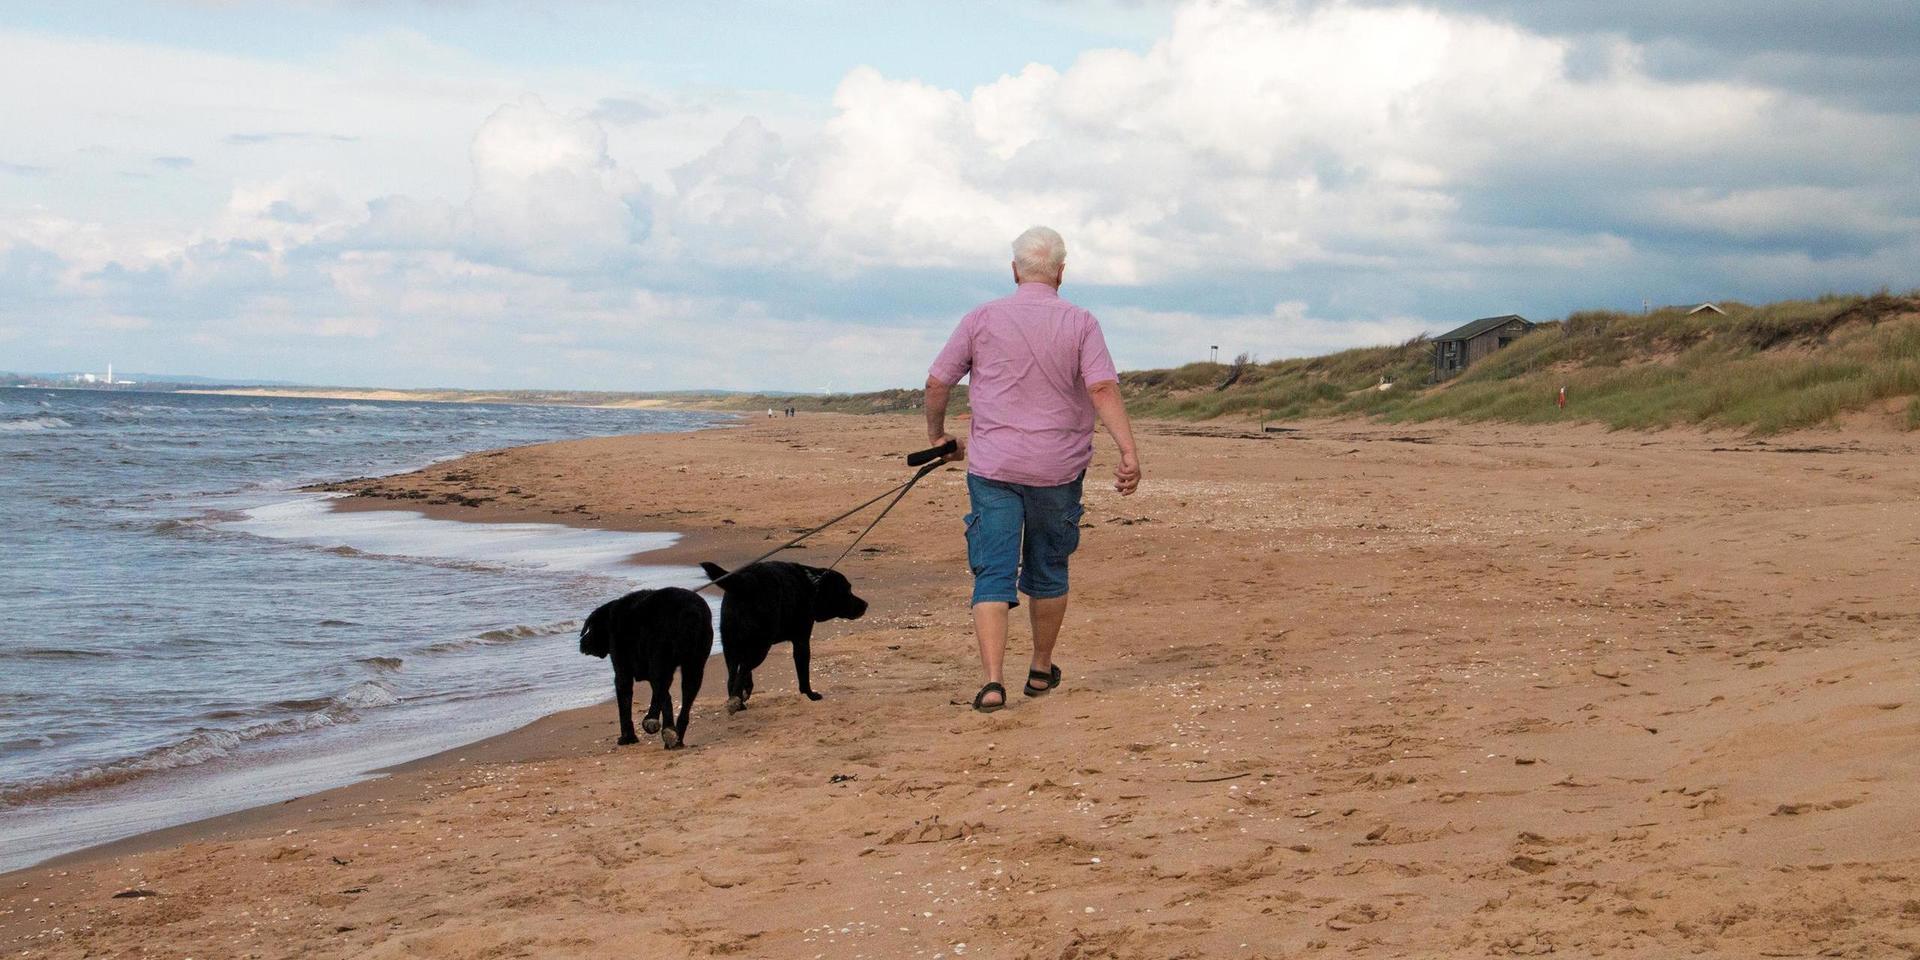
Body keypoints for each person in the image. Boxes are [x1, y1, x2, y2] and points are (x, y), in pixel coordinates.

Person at [924, 225, 1141, 712]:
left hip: (994, 467)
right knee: (1048, 568)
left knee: (993, 573)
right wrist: (1128, 451)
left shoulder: (981, 317)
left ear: (1014, 270)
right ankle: (1040, 670)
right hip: (1058, 470)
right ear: (1061, 273)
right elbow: (1102, 389)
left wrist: (937, 437)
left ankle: (993, 682)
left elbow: (938, 381)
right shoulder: (1081, 321)